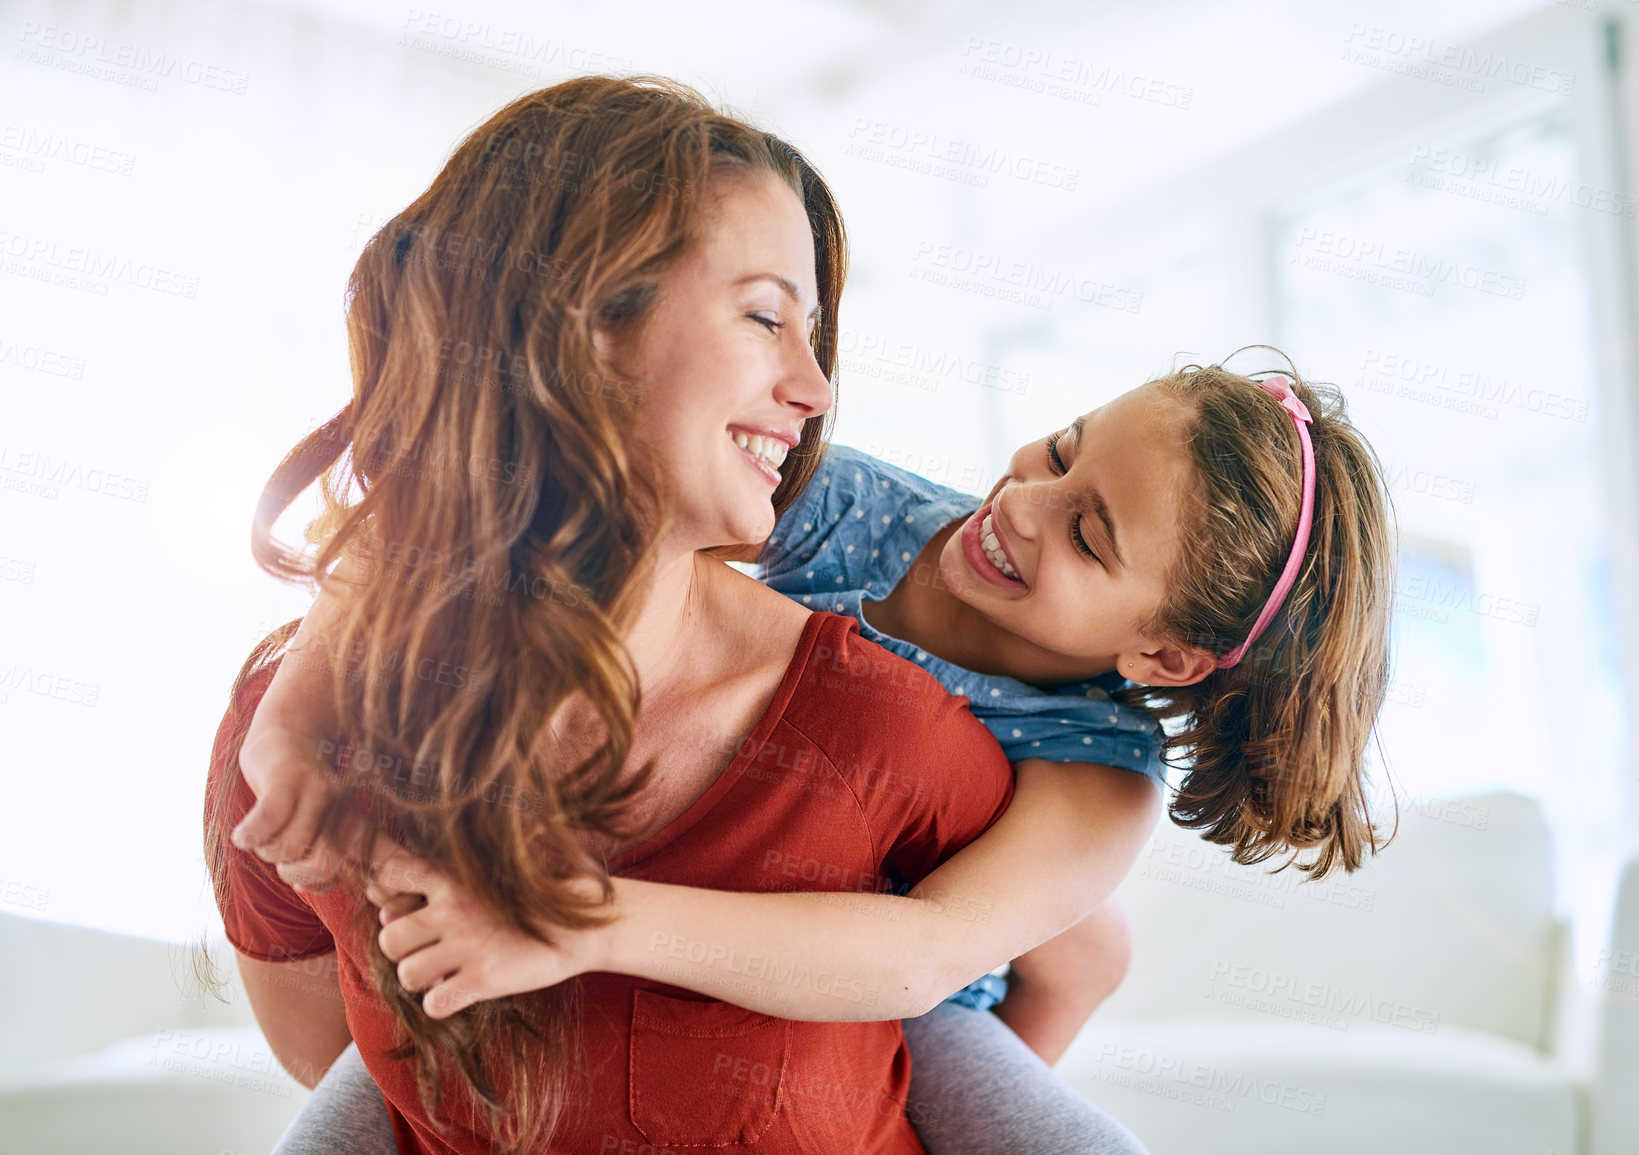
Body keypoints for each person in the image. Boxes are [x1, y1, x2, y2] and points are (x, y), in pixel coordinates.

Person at [203, 74, 1155, 1155]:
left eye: (814, 333)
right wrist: (287, 725)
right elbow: (339, 1054)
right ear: (582, 326)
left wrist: (577, 922)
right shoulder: (294, 731)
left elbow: (1025, 957)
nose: (816, 388)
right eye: (765, 317)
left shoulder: (953, 746)